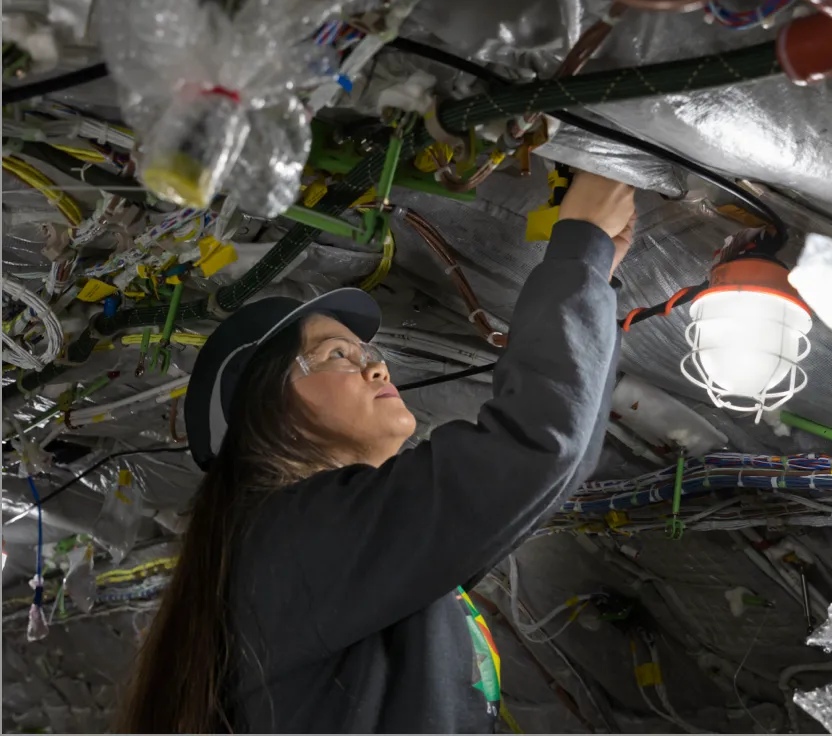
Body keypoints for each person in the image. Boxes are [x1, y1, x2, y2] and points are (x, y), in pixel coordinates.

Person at [117, 171, 636, 734]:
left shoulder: (319, 543)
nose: (377, 365)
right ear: (266, 410)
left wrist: (595, 279)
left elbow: (556, 465)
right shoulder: (293, 536)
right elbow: (536, 444)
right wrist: (581, 244)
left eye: (367, 350)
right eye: (338, 354)